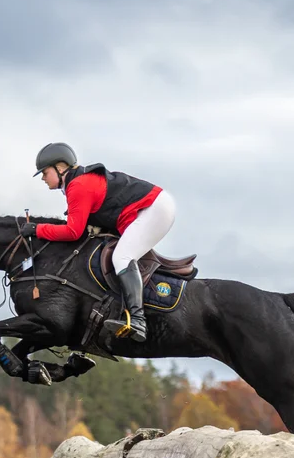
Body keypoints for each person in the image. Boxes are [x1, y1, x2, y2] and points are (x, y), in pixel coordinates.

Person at [18, 142, 176, 344]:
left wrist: (37, 230)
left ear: (60, 167)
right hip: (146, 210)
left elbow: (73, 232)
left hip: (155, 209)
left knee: (122, 257)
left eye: (45, 172)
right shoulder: (76, 183)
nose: (42, 178)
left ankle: (138, 320)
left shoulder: (78, 185)